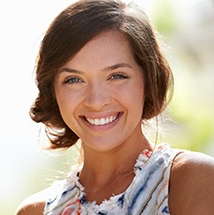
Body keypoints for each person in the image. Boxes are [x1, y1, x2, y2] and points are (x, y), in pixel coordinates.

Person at [15, 0, 214, 214]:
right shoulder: (34, 211)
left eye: (116, 76)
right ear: (53, 91)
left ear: (148, 81)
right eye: (73, 79)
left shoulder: (193, 181)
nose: (96, 100)